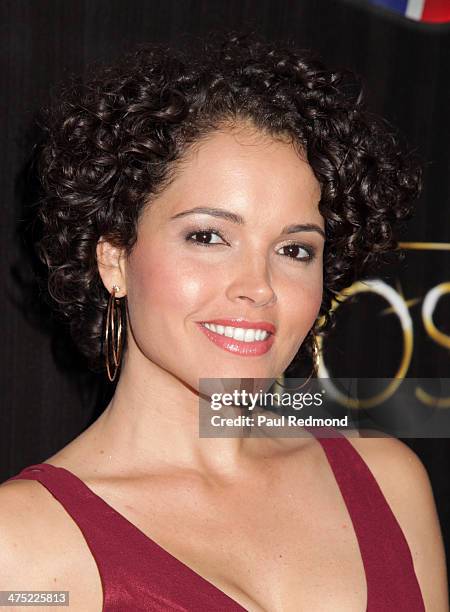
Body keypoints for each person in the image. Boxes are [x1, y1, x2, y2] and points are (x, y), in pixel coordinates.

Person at [0, 30, 448, 612]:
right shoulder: (24, 545)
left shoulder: (390, 483)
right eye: (208, 237)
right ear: (115, 259)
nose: (259, 287)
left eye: (294, 250)